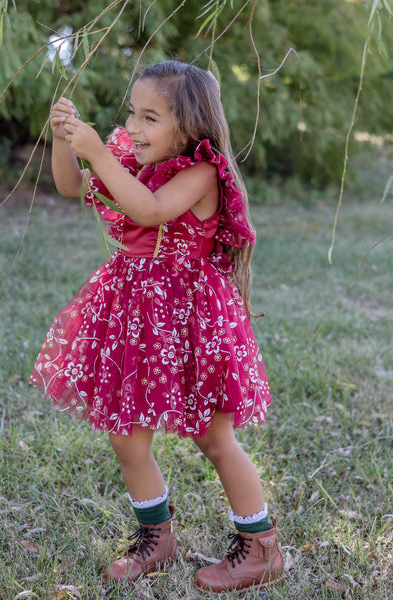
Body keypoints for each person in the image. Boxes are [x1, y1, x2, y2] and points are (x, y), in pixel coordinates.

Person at [30, 60, 283, 593]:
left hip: (190, 322)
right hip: (135, 319)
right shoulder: (133, 162)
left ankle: (260, 547)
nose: (134, 127)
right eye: (131, 113)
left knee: (215, 438)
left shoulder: (200, 172)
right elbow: (71, 186)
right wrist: (64, 141)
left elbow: (148, 211)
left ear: (189, 129)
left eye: (150, 118)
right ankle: (156, 537)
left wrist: (100, 152)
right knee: (126, 437)